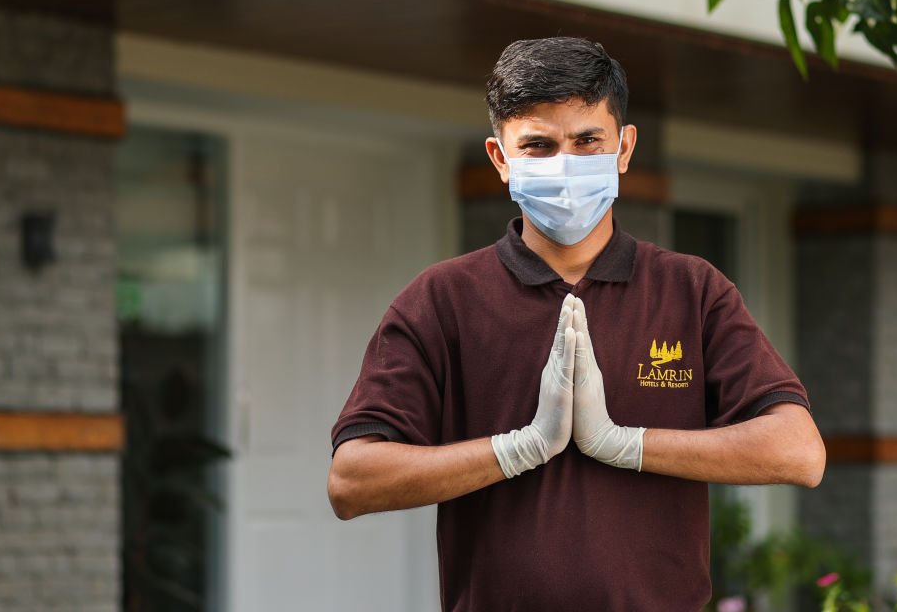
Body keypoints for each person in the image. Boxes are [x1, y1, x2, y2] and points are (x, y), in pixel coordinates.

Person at [327, 37, 825, 611]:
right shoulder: (444, 300)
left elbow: (799, 452)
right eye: (538, 145)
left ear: (624, 147)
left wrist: (625, 444)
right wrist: (519, 449)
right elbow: (352, 481)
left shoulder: (692, 291)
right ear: (500, 159)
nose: (565, 164)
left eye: (588, 140)